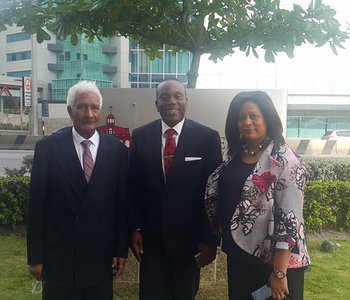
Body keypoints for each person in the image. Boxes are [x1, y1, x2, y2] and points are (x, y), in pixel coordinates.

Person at [27, 80, 129, 300]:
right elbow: (36, 206)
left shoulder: (117, 151)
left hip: (100, 257)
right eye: (82, 106)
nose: (89, 114)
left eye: (95, 108)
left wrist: (121, 250)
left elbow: (121, 205)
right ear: (70, 111)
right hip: (59, 257)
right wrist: (35, 256)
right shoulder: (48, 149)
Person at [205, 91, 310, 300]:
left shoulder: (286, 161)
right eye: (241, 117)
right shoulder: (236, 154)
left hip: (274, 262)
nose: (247, 122)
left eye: (254, 116)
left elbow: (290, 220)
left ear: (267, 118)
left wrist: (279, 272)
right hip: (240, 256)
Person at [129, 79, 222, 300]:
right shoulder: (141, 136)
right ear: (156, 103)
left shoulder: (207, 138)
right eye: (165, 97)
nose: (171, 101)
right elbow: (133, 188)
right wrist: (134, 228)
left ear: (186, 102)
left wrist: (209, 240)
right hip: (151, 243)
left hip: (189, 243)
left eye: (178, 96)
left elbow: (214, 194)